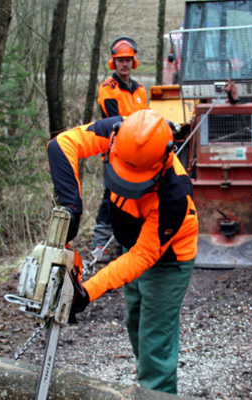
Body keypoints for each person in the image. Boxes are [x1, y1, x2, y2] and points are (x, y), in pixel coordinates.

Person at [47, 109, 198, 400]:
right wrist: (70, 208)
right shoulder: (120, 132)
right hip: (133, 242)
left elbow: (143, 257)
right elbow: (62, 144)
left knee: (155, 345)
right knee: (136, 327)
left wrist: (87, 291)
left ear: (160, 163)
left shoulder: (174, 195)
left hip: (168, 258)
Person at [92, 37, 150, 261]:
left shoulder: (140, 90)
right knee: (111, 196)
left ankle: (122, 243)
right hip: (115, 152)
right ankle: (100, 243)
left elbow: (146, 119)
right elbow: (114, 121)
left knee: (132, 198)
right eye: (120, 60)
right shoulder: (108, 89)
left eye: (127, 60)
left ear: (133, 62)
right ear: (113, 62)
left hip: (138, 153)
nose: (124, 64)